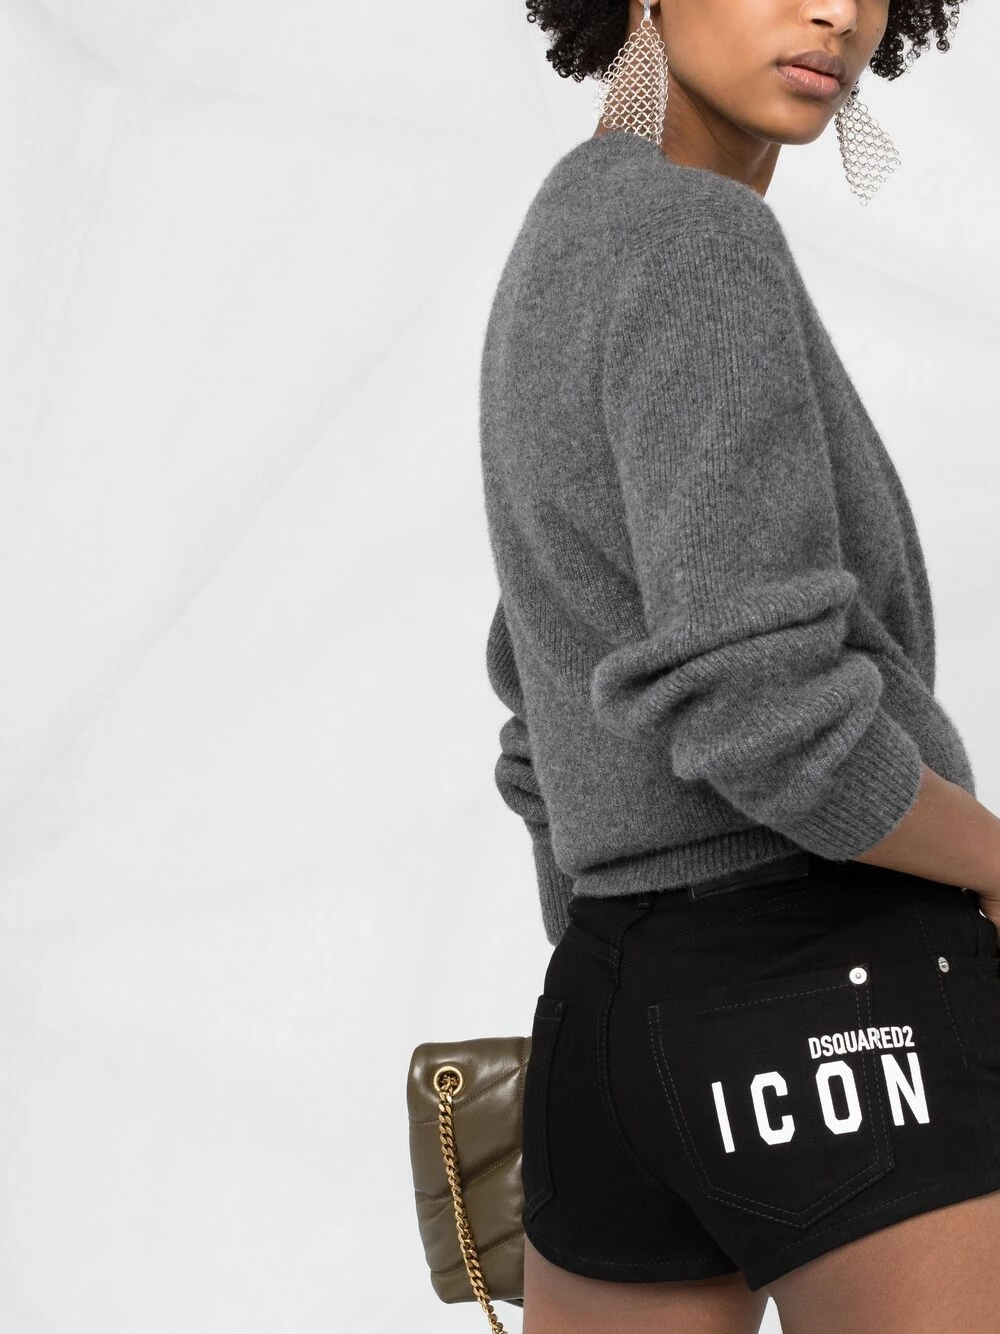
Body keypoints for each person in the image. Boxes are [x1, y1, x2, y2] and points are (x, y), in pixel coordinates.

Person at [478, 0, 995, 1328]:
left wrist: (644, 975)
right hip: (834, 989)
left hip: (607, 1012)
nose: (836, 13)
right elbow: (768, 711)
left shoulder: (564, 231)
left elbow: (542, 689)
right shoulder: (700, 240)